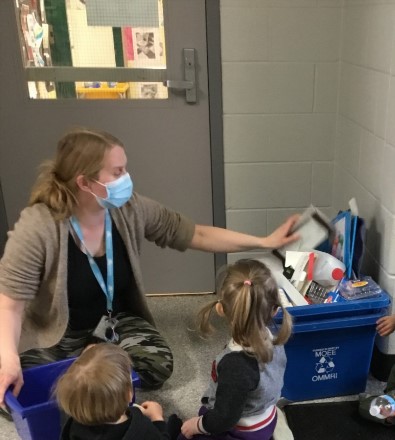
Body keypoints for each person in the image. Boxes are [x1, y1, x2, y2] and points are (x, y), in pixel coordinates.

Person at [0, 127, 299, 410]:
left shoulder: (130, 208)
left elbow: (197, 234)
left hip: (113, 322)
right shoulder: (38, 226)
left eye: (125, 168)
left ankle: (90, 369)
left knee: (158, 365)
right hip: (56, 331)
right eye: (117, 172)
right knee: (15, 386)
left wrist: (263, 240)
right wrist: (9, 358)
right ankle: (91, 369)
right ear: (84, 182)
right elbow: (10, 305)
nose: (126, 178)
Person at [179, 259, 292, 440]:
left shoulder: (236, 366)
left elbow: (224, 419)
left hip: (242, 431)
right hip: (266, 416)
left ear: (220, 309)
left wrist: (197, 426)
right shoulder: (275, 340)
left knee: (185, 434)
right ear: (275, 311)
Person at [55, 343, 182, 439]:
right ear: (129, 394)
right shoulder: (140, 428)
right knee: (176, 425)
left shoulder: (72, 426)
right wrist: (157, 418)